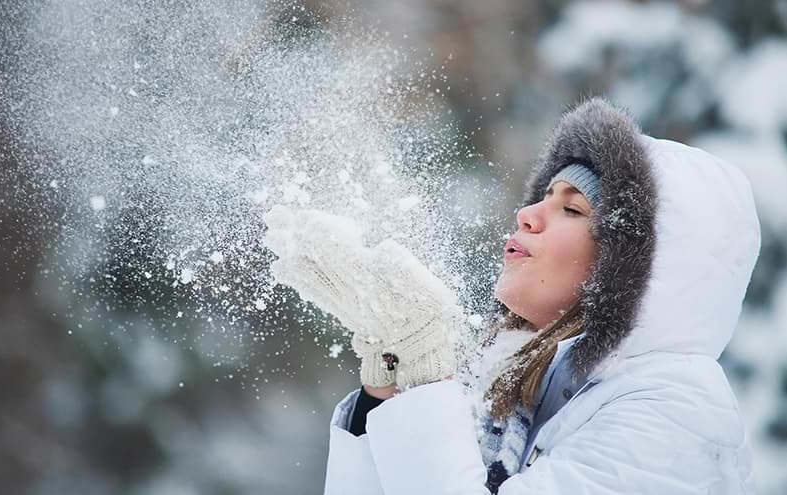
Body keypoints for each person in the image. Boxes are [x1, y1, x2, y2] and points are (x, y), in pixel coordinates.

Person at [262, 97, 760, 494]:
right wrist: (389, 385)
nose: (528, 213)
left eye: (573, 209)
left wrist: (426, 373)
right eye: (544, 195)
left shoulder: (673, 415)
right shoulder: (530, 388)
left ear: (632, 265)